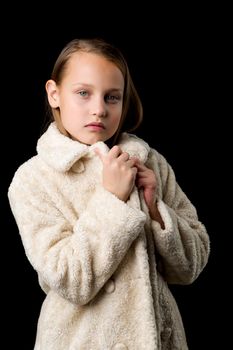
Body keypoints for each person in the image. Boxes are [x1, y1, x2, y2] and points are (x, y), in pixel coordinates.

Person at [8, 38, 210, 350]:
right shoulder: (34, 179)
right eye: (83, 93)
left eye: (112, 97)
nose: (99, 109)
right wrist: (112, 200)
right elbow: (71, 281)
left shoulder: (149, 161)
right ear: (54, 93)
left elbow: (190, 268)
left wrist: (156, 208)